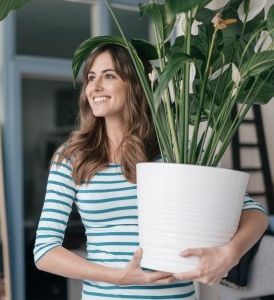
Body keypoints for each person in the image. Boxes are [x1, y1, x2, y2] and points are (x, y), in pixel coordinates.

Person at [33, 44, 268, 299]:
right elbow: (45, 250)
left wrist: (228, 255)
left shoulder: (175, 152)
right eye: (91, 77)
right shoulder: (72, 156)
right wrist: (118, 277)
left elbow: (255, 211)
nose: (95, 86)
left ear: (137, 84)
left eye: (108, 75)